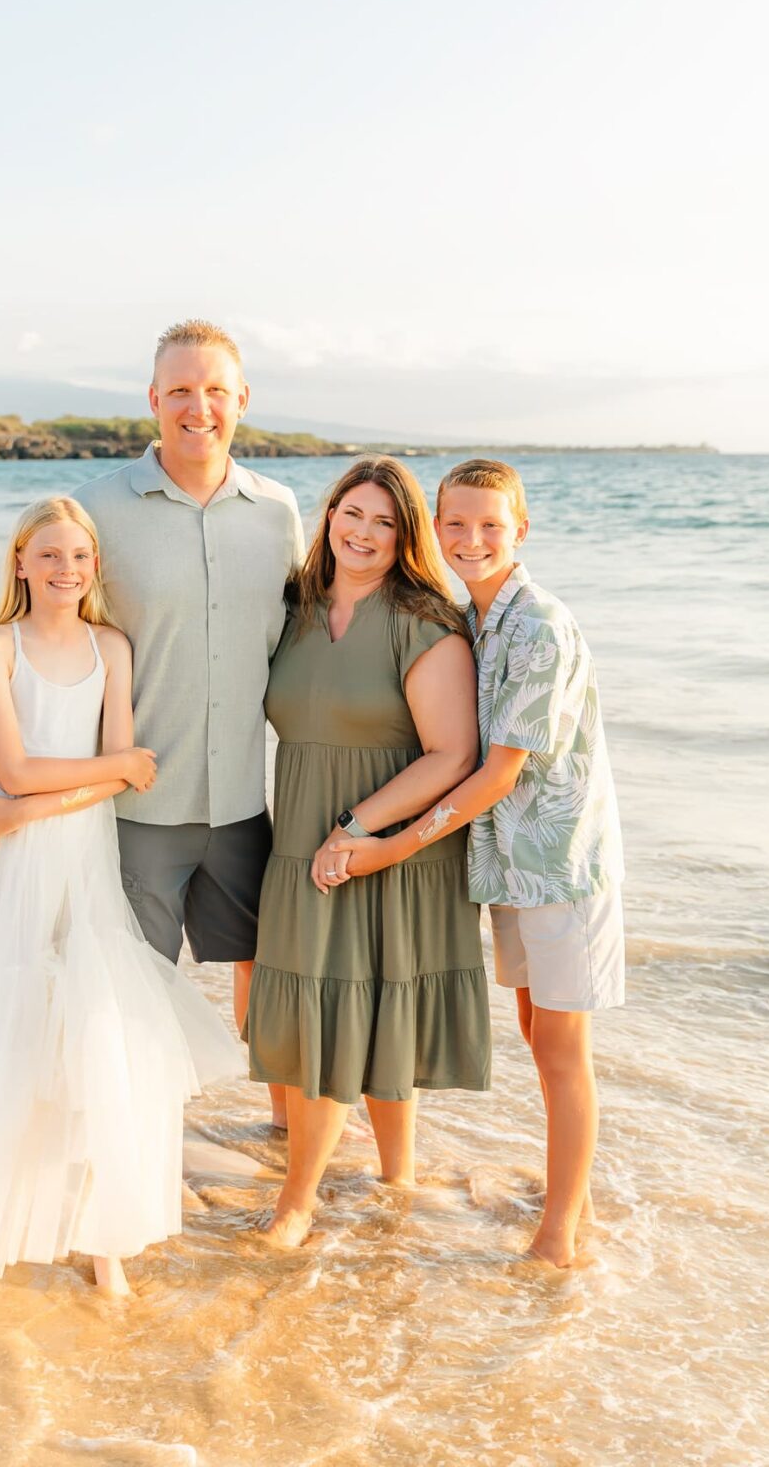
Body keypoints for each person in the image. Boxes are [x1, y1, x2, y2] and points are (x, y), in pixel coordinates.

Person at [0, 496, 241, 1298]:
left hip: (80, 856)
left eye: (80, 556)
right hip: (9, 867)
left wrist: (38, 801)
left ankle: (99, 1236)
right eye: (48, 555)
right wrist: (37, 795)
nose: (66, 570)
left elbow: (108, 764)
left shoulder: (110, 647)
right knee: (11, 1028)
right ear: (19, 563)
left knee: (90, 1029)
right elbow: (28, 767)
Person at [0, 321, 304, 1131]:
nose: (199, 406)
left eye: (215, 389)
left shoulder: (279, 513)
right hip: (131, 811)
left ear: (242, 401)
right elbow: (37, 635)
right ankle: (122, 1155)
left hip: (244, 807)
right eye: (180, 390)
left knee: (275, 980)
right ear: (154, 400)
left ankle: (280, 1148)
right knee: (122, 994)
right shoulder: (100, 510)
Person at [335, 459, 625, 1268]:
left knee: (565, 1050)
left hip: (563, 868)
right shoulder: (478, 618)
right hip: (512, 865)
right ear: (435, 527)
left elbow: (500, 771)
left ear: (520, 530)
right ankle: (576, 1198)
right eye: (454, 524)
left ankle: (560, 1235)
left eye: (490, 525)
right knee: (541, 1038)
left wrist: (391, 847)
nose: (471, 539)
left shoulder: (538, 625)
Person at [246, 456, 491, 1248]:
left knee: (353, 1008)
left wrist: (357, 829)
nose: (363, 532)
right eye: (352, 513)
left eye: (384, 522)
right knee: (349, 1006)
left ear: (405, 536)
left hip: (382, 841)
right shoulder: (295, 608)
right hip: (301, 838)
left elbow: (451, 755)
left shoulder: (425, 622)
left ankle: (301, 1204)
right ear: (329, 517)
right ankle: (395, 1183)